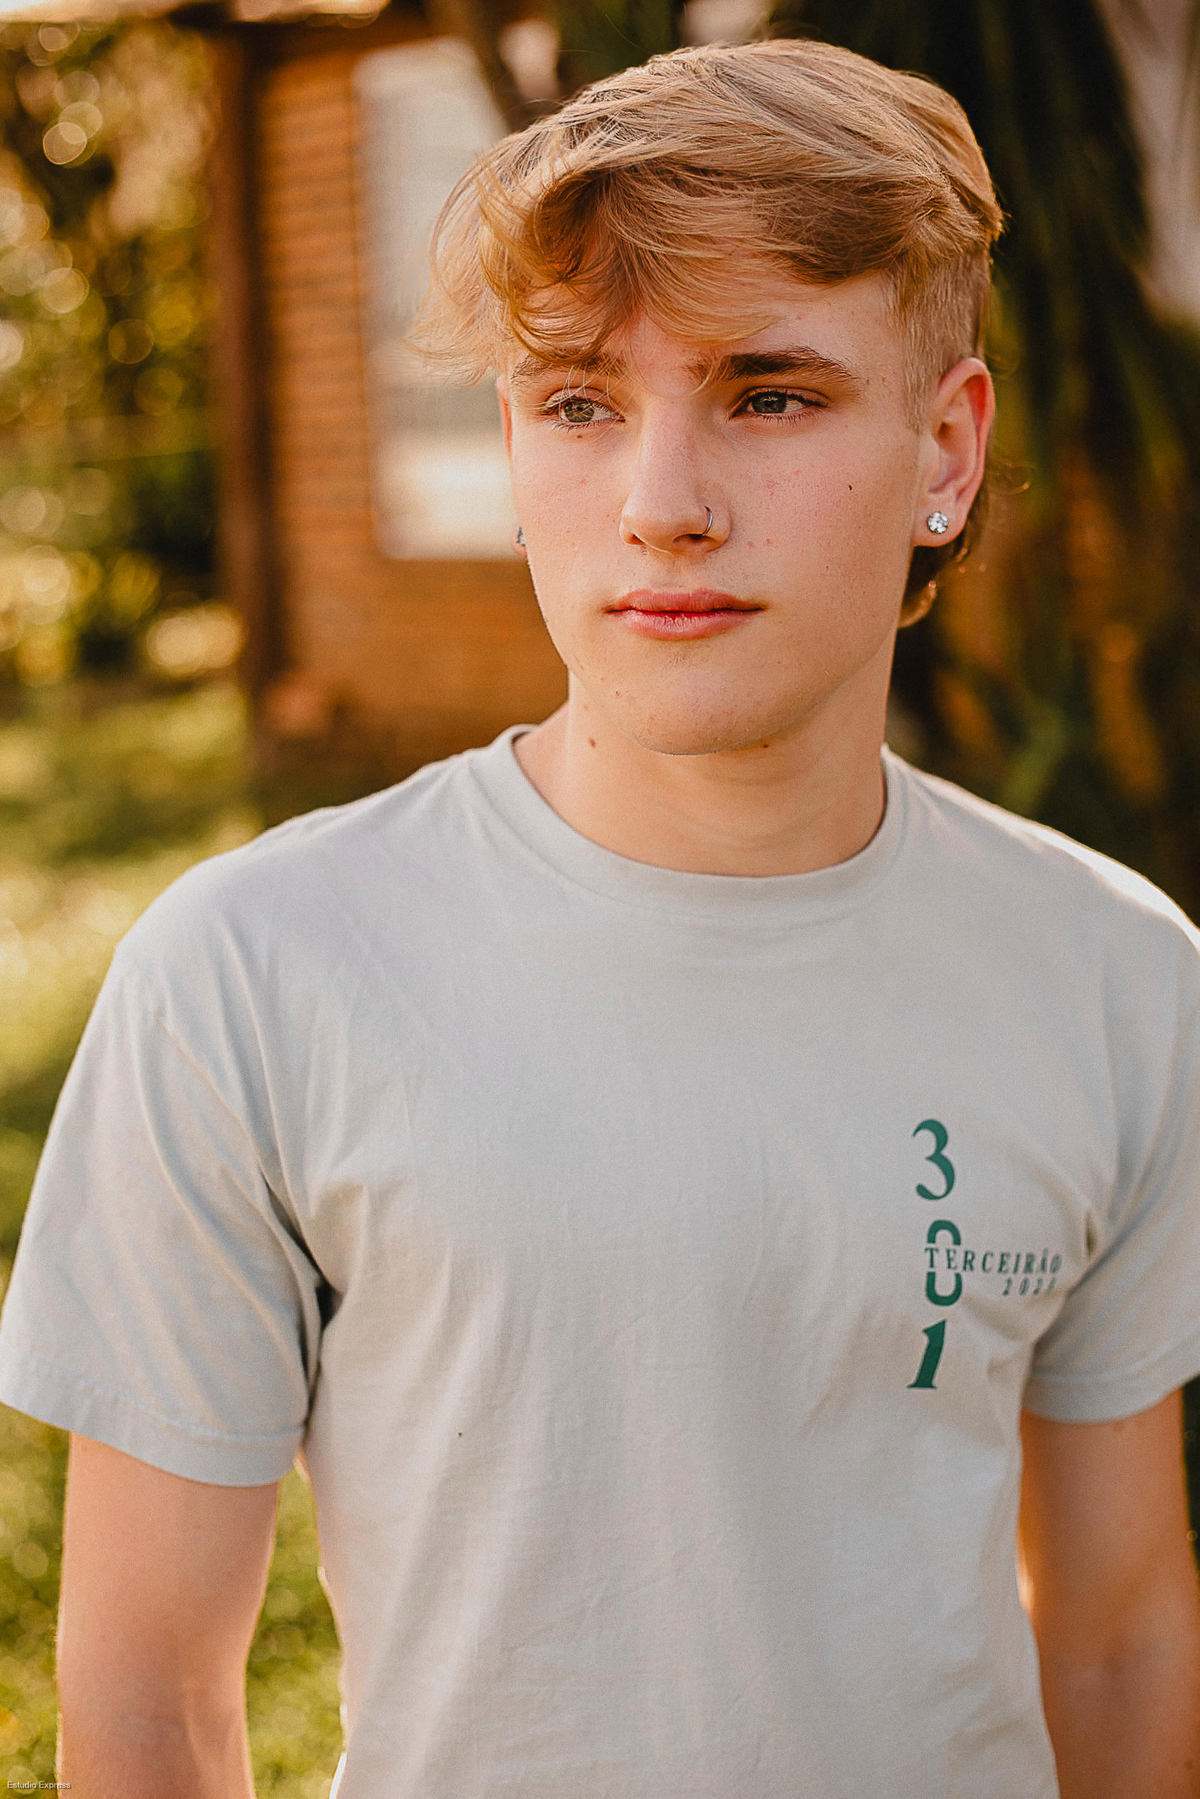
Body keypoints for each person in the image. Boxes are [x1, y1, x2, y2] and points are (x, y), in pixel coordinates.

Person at [2, 35, 1199, 1799]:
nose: (660, 504)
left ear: (945, 446)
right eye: (580, 402)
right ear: (514, 440)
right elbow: (144, 1695)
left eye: (769, 392)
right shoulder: (257, 971)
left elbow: (1112, 1631)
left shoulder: (1115, 976)